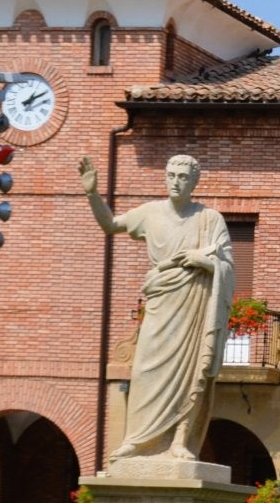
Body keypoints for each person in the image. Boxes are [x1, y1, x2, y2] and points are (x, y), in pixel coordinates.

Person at [78, 154, 234, 462]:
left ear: (194, 182)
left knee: (192, 372)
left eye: (183, 177)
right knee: (144, 370)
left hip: (194, 306)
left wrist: (204, 261)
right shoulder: (149, 213)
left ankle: (179, 441)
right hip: (162, 303)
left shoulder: (210, 219)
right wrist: (92, 193)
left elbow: (228, 265)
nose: (176, 181)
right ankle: (138, 440)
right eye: (171, 175)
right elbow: (110, 224)